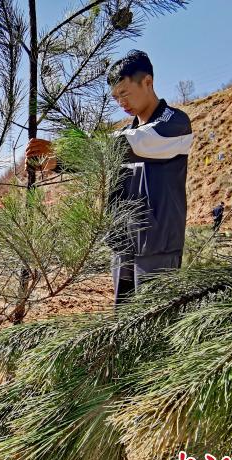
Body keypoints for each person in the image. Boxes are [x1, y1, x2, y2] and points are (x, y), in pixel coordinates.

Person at [26, 50, 193, 305]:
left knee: (154, 327)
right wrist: (56, 161)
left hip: (157, 248)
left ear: (147, 82)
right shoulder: (125, 131)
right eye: (115, 97)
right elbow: (100, 161)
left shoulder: (174, 124)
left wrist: (63, 148)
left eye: (124, 93)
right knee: (123, 324)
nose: (120, 102)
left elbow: (132, 145)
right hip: (123, 247)